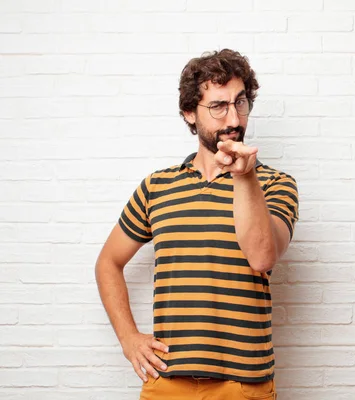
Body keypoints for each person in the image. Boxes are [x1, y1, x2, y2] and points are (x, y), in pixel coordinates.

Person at [95, 49, 299, 400]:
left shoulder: (274, 184)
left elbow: (263, 258)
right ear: (190, 113)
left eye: (240, 102)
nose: (233, 117)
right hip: (167, 383)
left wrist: (244, 178)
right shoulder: (157, 187)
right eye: (218, 106)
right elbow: (108, 263)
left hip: (243, 386)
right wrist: (130, 339)